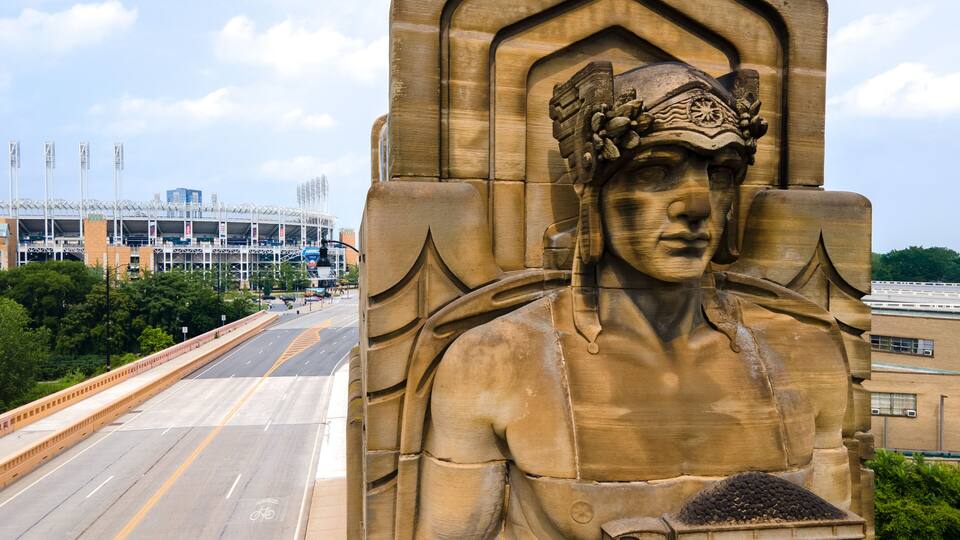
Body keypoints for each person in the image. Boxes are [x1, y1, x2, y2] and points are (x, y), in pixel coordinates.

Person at [416, 62, 851, 539]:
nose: (697, 206)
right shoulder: (493, 362)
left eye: (720, 173)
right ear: (593, 189)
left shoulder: (806, 354)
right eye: (655, 171)